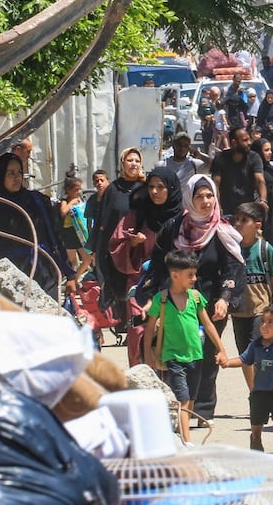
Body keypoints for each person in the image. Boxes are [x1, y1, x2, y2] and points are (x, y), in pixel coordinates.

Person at [141, 174, 246, 422]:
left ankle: (203, 409)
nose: (206, 201)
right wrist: (150, 297)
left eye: (210, 195)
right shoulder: (173, 228)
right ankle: (179, 409)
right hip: (176, 303)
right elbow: (156, 265)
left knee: (208, 357)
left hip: (209, 303)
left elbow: (233, 267)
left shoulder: (222, 230)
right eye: (199, 196)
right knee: (177, 356)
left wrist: (225, 298)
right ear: (190, 198)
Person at [144, 249, 228, 441]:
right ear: (174, 275)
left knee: (189, 400)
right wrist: (148, 356)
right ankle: (187, 441)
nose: (194, 278)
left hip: (196, 356)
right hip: (173, 357)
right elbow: (149, 329)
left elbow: (207, 324)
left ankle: (180, 435)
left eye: (195, 274)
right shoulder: (162, 299)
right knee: (182, 398)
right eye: (189, 275)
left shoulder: (196, 297)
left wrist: (221, 348)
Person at [109, 166, 184, 366]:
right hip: (140, 286)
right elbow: (115, 244)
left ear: (171, 188)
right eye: (151, 187)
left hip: (173, 286)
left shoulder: (183, 219)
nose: (155, 192)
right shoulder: (137, 216)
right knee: (139, 334)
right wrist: (131, 243)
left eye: (161, 187)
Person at [0, 152, 75, 297]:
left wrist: (70, 274)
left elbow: (56, 235)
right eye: (11, 173)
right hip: (10, 279)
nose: (17, 177)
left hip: (44, 274)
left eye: (19, 172)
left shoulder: (37, 201)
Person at [220, 303, 273, 451]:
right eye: (263, 321)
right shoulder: (255, 345)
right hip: (259, 391)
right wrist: (227, 362)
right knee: (256, 421)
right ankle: (256, 439)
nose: (265, 326)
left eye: (271, 322)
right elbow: (243, 359)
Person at [229, 202, 273, 395]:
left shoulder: (265, 249)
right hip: (238, 310)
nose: (238, 224)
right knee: (245, 355)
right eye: (236, 220)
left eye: (244, 220)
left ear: (257, 225)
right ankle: (255, 394)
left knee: (259, 352)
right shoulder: (231, 248)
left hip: (261, 311)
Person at [92, 147, 146, 315]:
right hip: (115, 251)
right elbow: (102, 221)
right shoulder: (113, 189)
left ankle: (136, 327)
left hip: (140, 250)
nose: (134, 164)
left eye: (137, 161)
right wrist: (98, 250)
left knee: (137, 291)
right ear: (123, 163)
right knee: (118, 290)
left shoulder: (146, 188)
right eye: (130, 160)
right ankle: (121, 322)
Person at [211, 126, 268, 215]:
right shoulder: (221, 158)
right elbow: (215, 185)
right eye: (245, 140)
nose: (249, 143)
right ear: (234, 142)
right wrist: (217, 206)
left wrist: (263, 200)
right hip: (226, 209)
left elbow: (260, 180)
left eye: (249, 139)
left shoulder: (254, 157)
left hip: (248, 208)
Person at [58, 176, 93, 283]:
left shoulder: (80, 200)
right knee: (73, 261)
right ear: (69, 190)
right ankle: (71, 281)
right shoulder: (65, 201)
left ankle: (76, 278)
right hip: (69, 233)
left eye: (80, 189)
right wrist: (71, 203)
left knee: (87, 258)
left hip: (81, 232)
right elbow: (63, 212)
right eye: (76, 189)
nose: (79, 192)